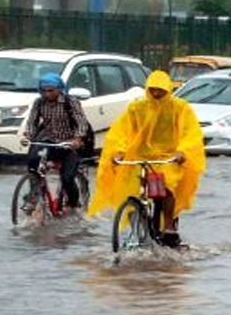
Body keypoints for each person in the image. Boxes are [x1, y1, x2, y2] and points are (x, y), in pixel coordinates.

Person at [87, 70, 206, 248]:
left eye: (161, 90)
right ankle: (136, 219)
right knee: (131, 188)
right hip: (139, 156)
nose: (157, 94)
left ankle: (168, 225)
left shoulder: (180, 107)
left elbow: (191, 133)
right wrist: (119, 151)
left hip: (168, 157)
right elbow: (121, 132)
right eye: (153, 90)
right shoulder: (137, 107)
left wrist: (182, 152)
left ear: (168, 90)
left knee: (167, 186)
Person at [23, 73, 91, 212]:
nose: (47, 94)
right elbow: (32, 121)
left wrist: (77, 139)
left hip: (70, 145)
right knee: (33, 161)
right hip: (50, 141)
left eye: (51, 90)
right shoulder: (39, 102)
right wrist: (28, 136)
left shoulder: (70, 102)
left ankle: (74, 204)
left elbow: (81, 123)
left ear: (60, 89)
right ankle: (33, 196)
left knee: (67, 178)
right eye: (44, 91)